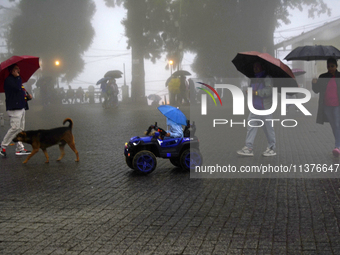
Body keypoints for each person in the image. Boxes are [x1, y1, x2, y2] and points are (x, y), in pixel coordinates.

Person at [237, 62, 276, 157]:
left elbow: (269, 91)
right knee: (251, 126)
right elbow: (252, 90)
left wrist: (256, 93)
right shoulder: (253, 78)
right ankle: (249, 148)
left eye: (257, 66)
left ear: (261, 67)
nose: (255, 68)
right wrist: (249, 92)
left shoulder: (267, 78)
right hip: (255, 108)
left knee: (268, 129)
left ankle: (271, 148)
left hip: (265, 108)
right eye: (254, 67)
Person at [0, 64, 32, 157]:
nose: (18, 70)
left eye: (18, 68)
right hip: (14, 108)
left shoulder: (18, 80)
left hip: (21, 107)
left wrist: (27, 97)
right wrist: (18, 78)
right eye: (16, 69)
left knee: (20, 129)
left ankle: (20, 149)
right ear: (11, 71)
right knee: (15, 128)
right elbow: (16, 88)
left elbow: (20, 94)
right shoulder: (9, 80)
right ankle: (3, 146)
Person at [312, 57, 340, 157]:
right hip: (327, 105)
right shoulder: (323, 77)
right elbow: (317, 90)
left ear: (336, 66)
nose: (330, 68)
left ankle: (337, 146)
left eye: (332, 66)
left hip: (337, 105)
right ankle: (338, 144)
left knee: (337, 124)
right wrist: (314, 83)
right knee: (334, 125)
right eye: (328, 66)